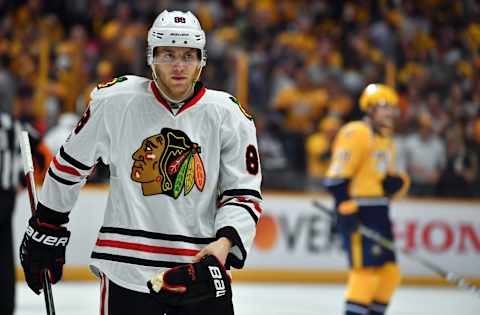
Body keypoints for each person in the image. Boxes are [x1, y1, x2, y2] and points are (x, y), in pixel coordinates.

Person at [19, 10, 262, 315]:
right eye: (168, 54)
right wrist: (48, 222)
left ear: (201, 59)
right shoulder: (115, 102)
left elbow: (243, 195)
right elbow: (70, 165)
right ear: (151, 56)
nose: (178, 65)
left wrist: (222, 247)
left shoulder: (229, 115)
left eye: (188, 56)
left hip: (198, 272)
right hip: (126, 271)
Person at [324, 83, 409, 315]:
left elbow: (381, 179)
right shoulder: (356, 133)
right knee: (365, 273)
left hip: (379, 211)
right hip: (359, 210)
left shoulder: (385, 139)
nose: (389, 112)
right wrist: (345, 207)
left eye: (391, 107)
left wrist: (395, 184)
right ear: (369, 108)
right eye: (383, 106)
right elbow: (336, 178)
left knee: (389, 273)